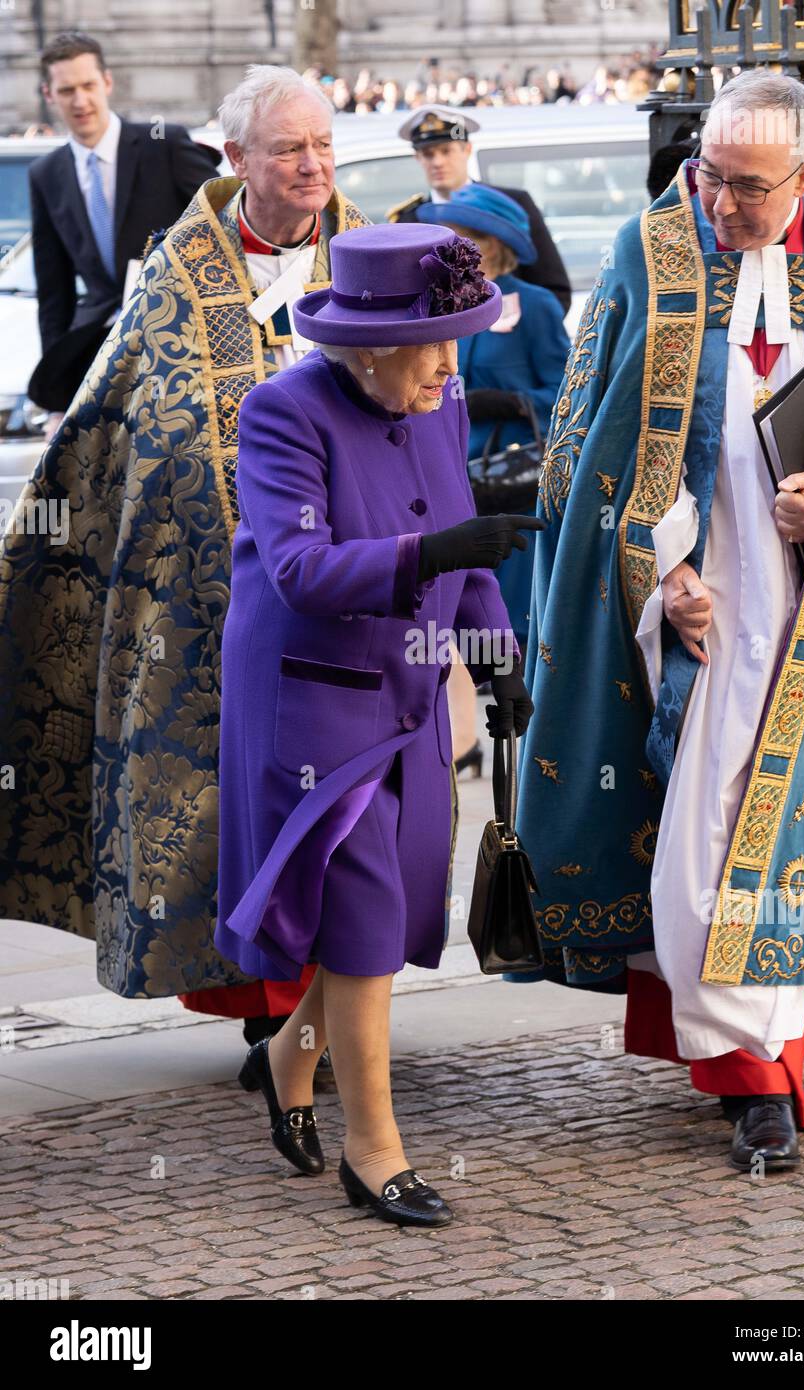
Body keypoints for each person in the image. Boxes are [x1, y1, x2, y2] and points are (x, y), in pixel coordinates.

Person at [515, 71, 804, 1171]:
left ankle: (766, 1073)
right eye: (708, 177)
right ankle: (755, 1075)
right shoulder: (652, 247)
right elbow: (586, 438)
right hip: (695, 609)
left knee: (794, 833)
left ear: (801, 174)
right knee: (696, 842)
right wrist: (655, 566)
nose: (721, 204)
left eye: (747, 187)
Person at [0, 66, 368, 1049]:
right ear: (236, 158)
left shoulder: (369, 252)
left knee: (347, 823)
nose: (312, 165)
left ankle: (334, 1017)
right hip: (214, 608)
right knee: (235, 811)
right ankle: (272, 1021)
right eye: (289, 149)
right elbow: (124, 421)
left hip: (354, 600)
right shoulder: (177, 269)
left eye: (324, 143)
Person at [216, 223, 539, 1227]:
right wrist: (433, 548)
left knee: (388, 917)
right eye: (434, 345)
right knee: (359, 924)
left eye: (459, 341)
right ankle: (376, 1149)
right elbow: (301, 573)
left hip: (406, 693)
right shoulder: (281, 412)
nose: (451, 366)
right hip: (311, 695)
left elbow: (468, 556)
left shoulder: (431, 400)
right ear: (364, 346)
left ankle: (288, 1059)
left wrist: (495, 663)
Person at [27, 30, 219, 415]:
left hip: (180, 342)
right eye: (66, 91)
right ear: (49, 95)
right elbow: (54, 293)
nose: (80, 101)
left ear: (107, 82)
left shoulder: (161, 142)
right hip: (99, 351)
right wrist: (58, 392)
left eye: (88, 85)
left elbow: (222, 225)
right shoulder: (45, 174)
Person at [418, 183, 569, 643]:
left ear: (498, 248)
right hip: (447, 471)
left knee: (510, 603)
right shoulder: (435, 307)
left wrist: (513, 401)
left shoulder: (536, 305)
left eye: (470, 241)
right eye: (452, 241)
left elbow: (567, 395)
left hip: (509, 476)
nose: (457, 253)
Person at [386, 105, 571, 314]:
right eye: (428, 154)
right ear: (417, 158)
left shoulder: (511, 204)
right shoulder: (408, 222)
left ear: (467, 149)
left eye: (446, 151)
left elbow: (555, 290)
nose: (438, 162)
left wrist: (515, 329)